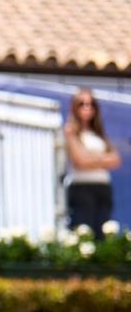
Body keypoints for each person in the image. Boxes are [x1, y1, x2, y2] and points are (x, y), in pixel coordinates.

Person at [64, 89, 120, 236]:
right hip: (82, 188)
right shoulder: (70, 131)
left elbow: (115, 160)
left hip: (103, 187)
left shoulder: (99, 134)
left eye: (91, 104)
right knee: (83, 232)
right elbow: (80, 161)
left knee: (102, 233)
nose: (87, 107)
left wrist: (91, 158)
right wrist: (102, 159)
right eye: (82, 104)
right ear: (74, 107)